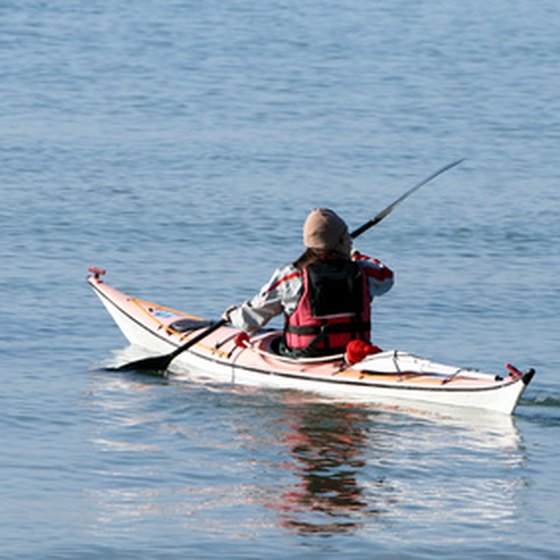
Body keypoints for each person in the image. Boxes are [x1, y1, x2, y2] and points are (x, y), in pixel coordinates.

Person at [223, 208, 394, 358]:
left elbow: (249, 320)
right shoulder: (364, 271)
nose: (351, 240)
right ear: (342, 242)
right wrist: (355, 255)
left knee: (270, 339)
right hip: (349, 352)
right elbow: (387, 278)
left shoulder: (291, 277)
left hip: (305, 356)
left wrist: (232, 315)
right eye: (347, 236)